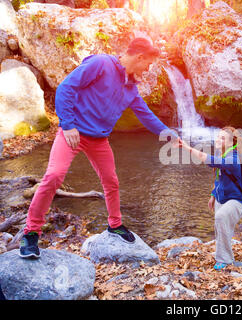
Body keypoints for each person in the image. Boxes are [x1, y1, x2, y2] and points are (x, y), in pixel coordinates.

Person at [19, 38, 179, 259]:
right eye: (148, 64)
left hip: (99, 140)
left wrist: (168, 134)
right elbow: (66, 87)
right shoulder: (101, 64)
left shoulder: (130, 88)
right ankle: (30, 233)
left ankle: (115, 225)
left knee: (111, 181)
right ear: (140, 57)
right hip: (72, 133)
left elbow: (146, 115)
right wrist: (68, 124)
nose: (148, 69)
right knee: (54, 175)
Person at [177, 127, 242, 270]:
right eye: (218, 137)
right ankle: (224, 256)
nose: (218, 140)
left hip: (235, 201)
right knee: (220, 228)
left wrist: (187, 147)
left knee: (220, 218)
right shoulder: (222, 152)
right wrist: (213, 195)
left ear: (231, 142)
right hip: (221, 198)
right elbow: (219, 178)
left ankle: (225, 260)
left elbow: (210, 160)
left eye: (222, 138)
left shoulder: (233, 158)